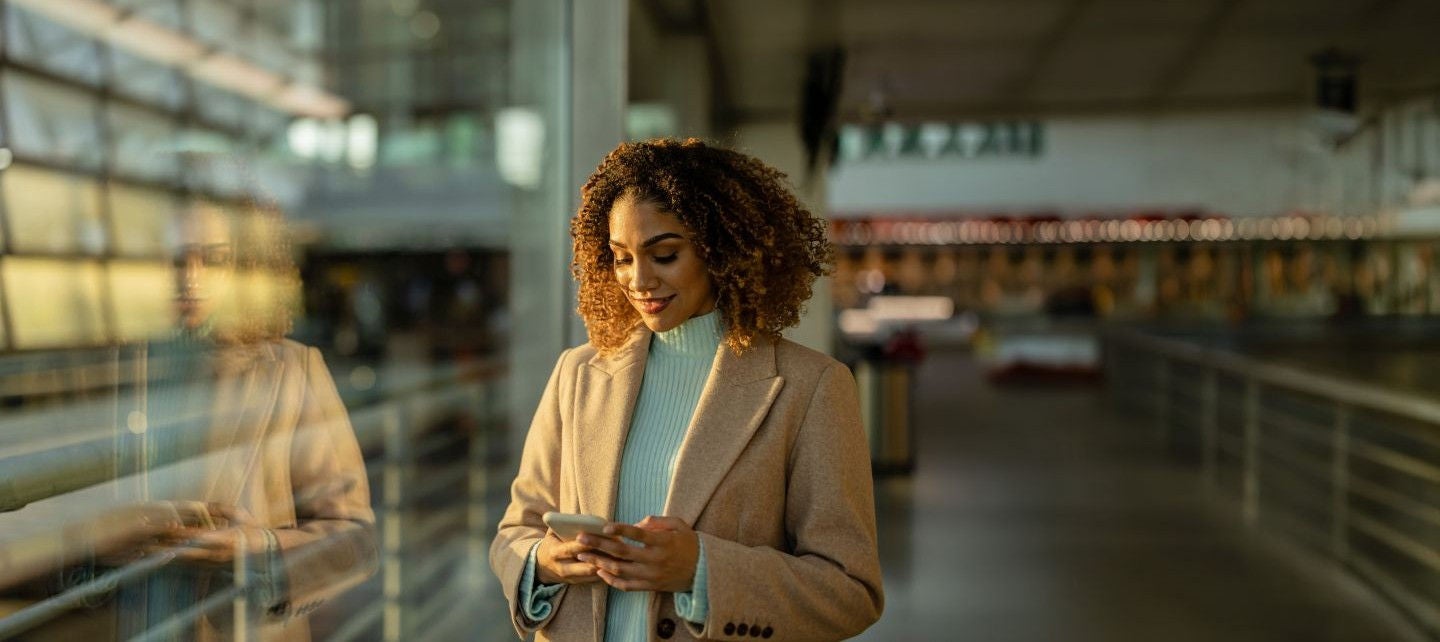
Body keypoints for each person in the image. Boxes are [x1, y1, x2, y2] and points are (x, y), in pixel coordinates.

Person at [491, 139, 884, 641]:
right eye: (620, 258)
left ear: (720, 249)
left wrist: (701, 571)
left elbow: (850, 590)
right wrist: (542, 561)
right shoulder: (578, 374)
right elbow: (514, 532)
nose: (639, 280)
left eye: (665, 254)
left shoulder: (811, 388)